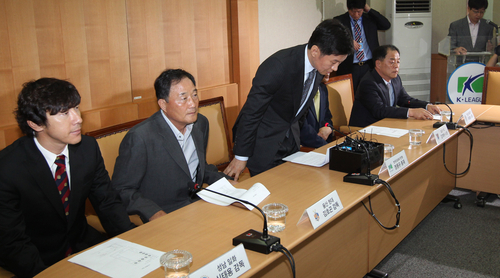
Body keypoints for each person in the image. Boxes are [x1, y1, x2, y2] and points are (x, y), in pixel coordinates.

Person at [0, 78, 135, 277]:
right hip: (36, 258)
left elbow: (107, 203)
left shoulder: (87, 148)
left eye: (76, 108)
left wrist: (134, 243)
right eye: (64, 113)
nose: (78, 119)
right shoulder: (8, 167)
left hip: (83, 244)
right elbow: (12, 241)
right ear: (36, 124)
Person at [223, 19, 353, 179]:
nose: (335, 69)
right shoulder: (277, 66)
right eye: (334, 62)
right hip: (263, 145)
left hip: (290, 145)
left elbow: (299, 111)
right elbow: (252, 113)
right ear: (315, 51)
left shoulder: (318, 69)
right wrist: (241, 156)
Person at [111, 69, 230, 223]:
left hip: (199, 205)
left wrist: (228, 183)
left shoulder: (200, 123)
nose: (192, 104)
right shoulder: (140, 138)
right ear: (163, 104)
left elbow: (197, 167)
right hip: (166, 214)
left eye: (194, 95)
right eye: (184, 98)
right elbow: (122, 190)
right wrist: (153, 212)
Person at [349, 45, 441, 127]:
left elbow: (404, 99)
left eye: (398, 62)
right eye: (392, 62)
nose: (396, 66)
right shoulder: (368, 83)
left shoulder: (395, 79)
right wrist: (411, 112)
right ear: (378, 64)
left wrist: (426, 106)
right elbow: (379, 110)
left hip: (386, 125)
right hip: (367, 130)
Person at [334, 0, 391, 92]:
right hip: (349, 67)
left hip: (369, 66)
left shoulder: (370, 19)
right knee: (348, 96)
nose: (356, 14)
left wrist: (369, 10)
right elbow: (332, 36)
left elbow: (386, 25)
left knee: (369, 94)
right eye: (353, 11)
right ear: (348, 8)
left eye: (359, 11)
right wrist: (347, 39)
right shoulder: (339, 21)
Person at [299, 83, 334, 148]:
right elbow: (302, 128)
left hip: (322, 143)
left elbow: (327, 116)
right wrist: (325, 146)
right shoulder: (301, 90)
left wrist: (329, 128)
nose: (332, 72)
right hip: (304, 147)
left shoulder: (322, 88)